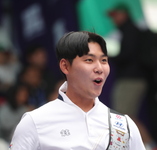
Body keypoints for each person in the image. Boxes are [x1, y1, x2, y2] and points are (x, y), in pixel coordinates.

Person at [9, 31, 145, 150]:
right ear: (65, 66)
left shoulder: (123, 126)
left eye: (104, 60)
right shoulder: (35, 122)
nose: (99, 68)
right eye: (89, 60)